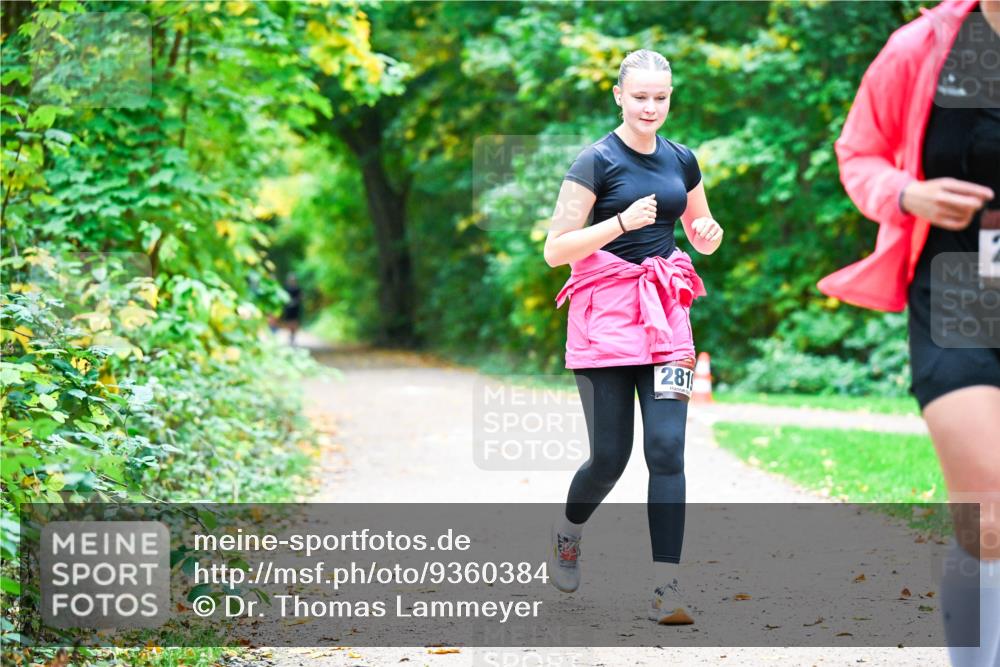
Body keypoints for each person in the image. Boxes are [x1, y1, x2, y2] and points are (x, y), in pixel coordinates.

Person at [817, 1, 999, 664]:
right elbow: (858, 153)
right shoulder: (925, 46)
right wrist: (906, 192)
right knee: (988, 508)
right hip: (956, 288)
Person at [543, 49, 724, 625]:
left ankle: (666, 588)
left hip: (666, 314)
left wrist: (708, 234)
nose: (651, 107)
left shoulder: (682, 159)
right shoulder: (594, 162)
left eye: (661, 97)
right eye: (640, 96)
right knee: (609, 458)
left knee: (667, 450)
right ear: (618, 96)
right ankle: (569, 534)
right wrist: (620, 222)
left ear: (671, 98)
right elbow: (555, 251)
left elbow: (699, 231)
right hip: (604, 320)